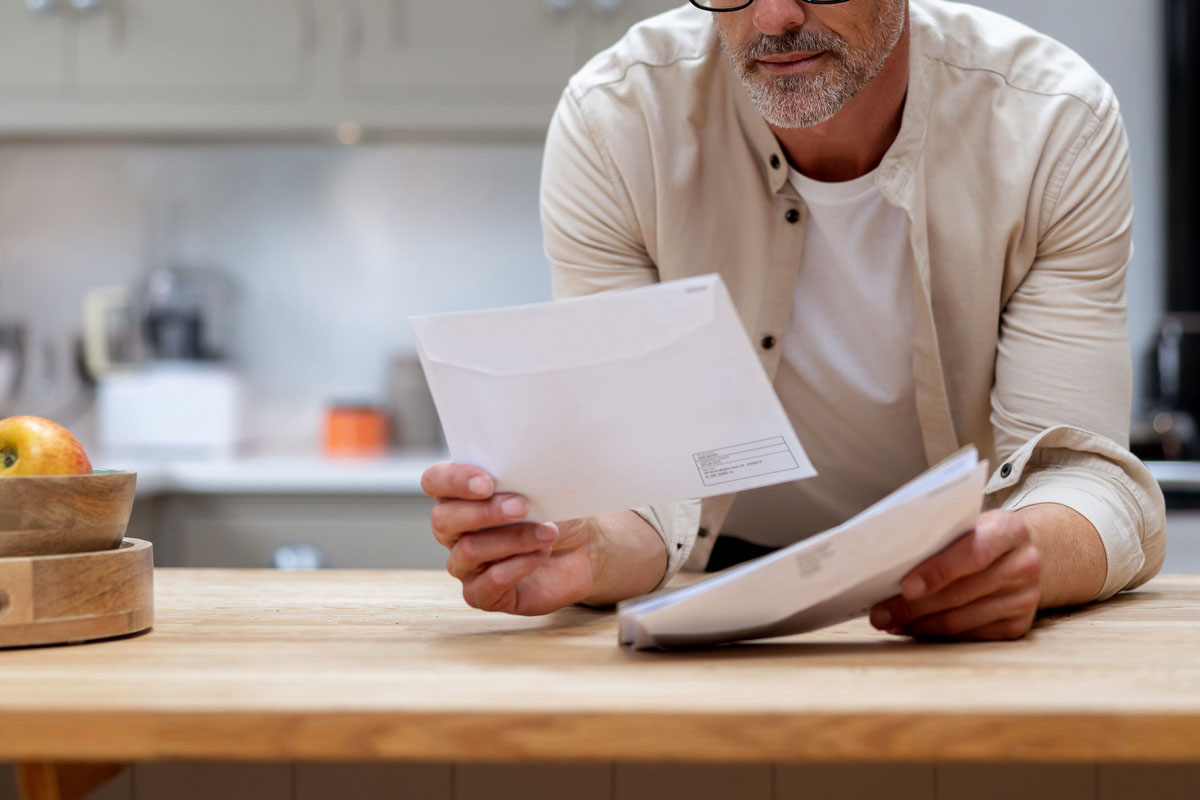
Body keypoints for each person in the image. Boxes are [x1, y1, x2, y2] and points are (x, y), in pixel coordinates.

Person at [421, 0, 1166, 640]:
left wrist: (1025, 553)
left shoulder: (1053, 126)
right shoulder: (620, 120)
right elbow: (639, 485)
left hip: (950, 585)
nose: (772, 17)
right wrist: (581, 545)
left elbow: (1083, 479)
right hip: (709, 578)